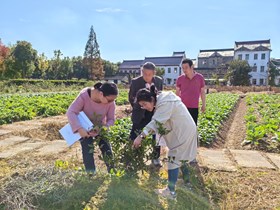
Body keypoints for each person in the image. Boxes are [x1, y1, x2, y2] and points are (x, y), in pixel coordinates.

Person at [133, 86, 197, 199]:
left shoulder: (165, 103)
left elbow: (156, 123)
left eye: (144, 104)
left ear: (152, 99)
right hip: (187, 129)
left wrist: (140, 137)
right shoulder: (164, 100)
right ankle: (187, 183)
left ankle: (170, 192)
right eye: (141, 105)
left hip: (182, 132)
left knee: (173, 158)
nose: (143, 107)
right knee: (183, 157)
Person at [66, 82, 118, 174]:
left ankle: (112, 171)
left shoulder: (110, 102)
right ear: (101, 94)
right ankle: (91, 174)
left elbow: (111, 120)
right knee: (87, 150)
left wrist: (101, 127)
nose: (111, 102)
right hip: (84, 128)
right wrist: (79, 129)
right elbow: (71, 112)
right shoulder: (84, 96)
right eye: (109, 100)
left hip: (100, 126)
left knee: (106, 148)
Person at [129, 62, 163, 166]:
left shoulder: (159, 81)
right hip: (140, 112)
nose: (147, 77)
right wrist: (141, 105)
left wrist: (152, 106)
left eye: (149, 74)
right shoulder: (135, 82)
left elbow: (160, 96)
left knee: (156, 135)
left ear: (154, 73)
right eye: (144, 74)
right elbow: (131, 97)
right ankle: (134, 156)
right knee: (135, 133)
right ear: (142, 72)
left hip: (153, 112)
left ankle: (155, 157)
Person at [176, 58, 206, 125]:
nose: (184, 70)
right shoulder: (180, 79)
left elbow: (202, 92)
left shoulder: (200, 77)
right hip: (183, 107)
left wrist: (204, 104)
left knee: (193, 126)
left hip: (194, 107)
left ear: (192, 67)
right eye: (183, 68)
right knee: (183, 126)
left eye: (186, 67)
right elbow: (177, 94)